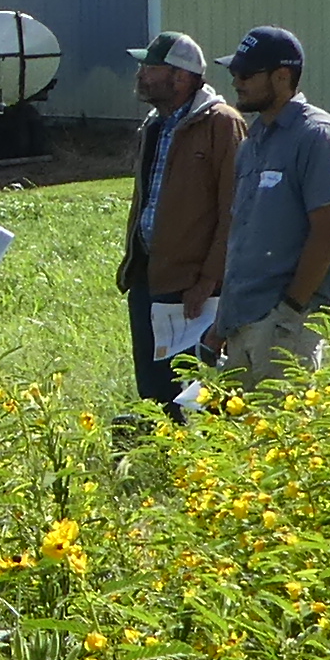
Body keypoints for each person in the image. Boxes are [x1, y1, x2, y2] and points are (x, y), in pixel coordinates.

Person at [208, 25, 330, 387]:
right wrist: (221, 322)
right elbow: (241, 236)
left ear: (283, 76)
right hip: (241, 321)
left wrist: (290, 311)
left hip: (284, 323)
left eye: (246, 74)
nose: (236, 82)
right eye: (233, 73)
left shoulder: (317, 135)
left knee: (282, 436)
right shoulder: (252, 141)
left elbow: (327, 231)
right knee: (238, 439)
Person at [116, 31, 240, 417]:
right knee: (154, 390)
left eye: (150, 68)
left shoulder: (221, 124)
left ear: (181, 77)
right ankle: (163, 465)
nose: (141, 75)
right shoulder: (156, 123)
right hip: (149, 277)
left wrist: (208, 281)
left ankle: (198, 468)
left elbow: (233, 210)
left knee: (194, 390)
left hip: (193, 289)